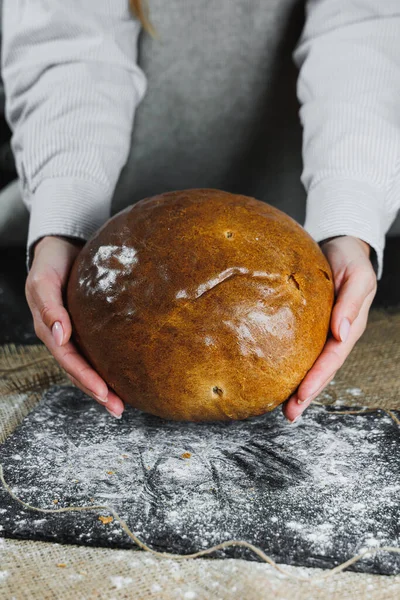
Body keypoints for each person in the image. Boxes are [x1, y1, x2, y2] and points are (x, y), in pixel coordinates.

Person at [2, 0, 399, 422]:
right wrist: (67, 217)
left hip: (311, 224)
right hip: (96, 237)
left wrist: (349, 214)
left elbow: (367, 22)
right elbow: (68, 38)